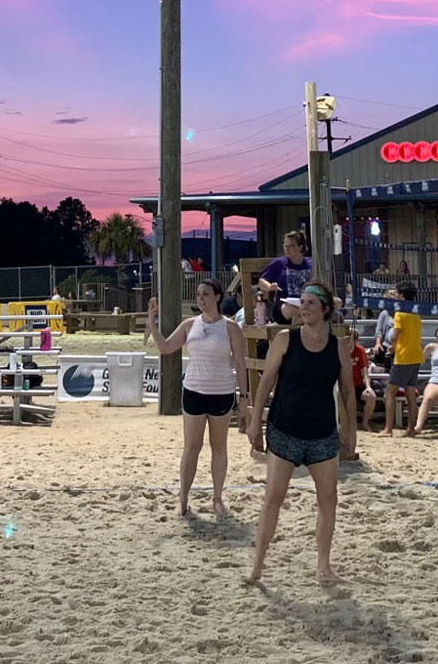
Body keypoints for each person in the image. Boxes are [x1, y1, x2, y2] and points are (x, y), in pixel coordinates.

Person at [247, 283, 355, 584]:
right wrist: (255, 421)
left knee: (328, 499)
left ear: (325, 310)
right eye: (302, 303)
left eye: (310, 303)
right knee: (274, 496)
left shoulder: (337, 348)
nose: (304, 308)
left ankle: (323, 567)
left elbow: (347, 392)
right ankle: (258, 565)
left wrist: (352, 431)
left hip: (322, 432)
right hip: (285, 429)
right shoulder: (285, 340)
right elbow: (265, 383)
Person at [145, 278, 246, 518]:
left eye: (206, 294)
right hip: (194, 390)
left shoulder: (231, 327)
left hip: (221, 391)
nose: (201, 298)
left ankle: (218, 498)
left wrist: (244, 396)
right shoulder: (190, 325)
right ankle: (183, 497)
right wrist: (153, 325)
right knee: (192, 447)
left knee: (219, 447)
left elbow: (241, 364)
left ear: (217, 297)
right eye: (199, 295)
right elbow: (167, 347)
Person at [382, 298, 423, 436]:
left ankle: (388, 429)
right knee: (410, 392)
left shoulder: (400, 314)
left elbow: (394, 336)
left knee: (390, 391)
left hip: (403, 357)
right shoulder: (416, 313)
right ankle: (411, 429)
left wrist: (393, 345)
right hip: (416, 355)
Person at [259, 230, 315, 324]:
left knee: (336, 302)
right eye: (285, 246)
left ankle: (300, 320)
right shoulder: (279, 263)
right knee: (290, 309)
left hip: (306, 303)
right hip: (284, 305)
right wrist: (270, 287)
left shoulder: (311, 264)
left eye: (291, 246)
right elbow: (262, 281)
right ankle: (308, 319)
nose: (287, 249)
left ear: (300, 247)